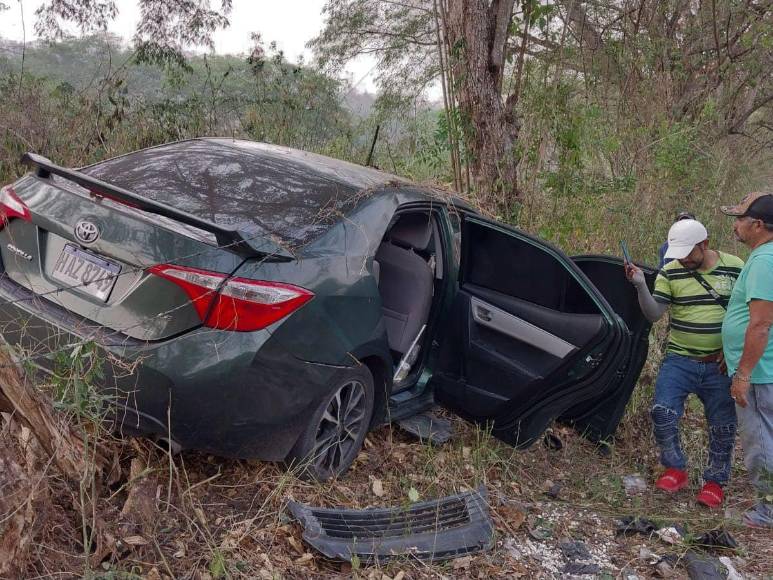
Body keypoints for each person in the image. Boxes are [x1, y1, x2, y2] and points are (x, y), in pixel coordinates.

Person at [625, 219, 743, 507]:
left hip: (720, 364)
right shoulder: (671, 271)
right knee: (663, 412)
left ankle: (715, 482)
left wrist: (734, 351)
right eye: (679, 254)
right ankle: (675, 468)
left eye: (689, 253)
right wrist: (640, 285)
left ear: (704, 244)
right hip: (680, 359)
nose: (684, 259)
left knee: (723, 425)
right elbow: (655, 314)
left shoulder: (735, 267)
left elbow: (748, 311)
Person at [720, 192, 773, 528]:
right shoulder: (763, 257)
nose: (735, 226)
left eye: (740, 219)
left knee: (760, 439)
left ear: (758, 225)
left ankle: (767, 512)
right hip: (763, 368)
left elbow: (760, 323)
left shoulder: (764, 261)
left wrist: (743, 373)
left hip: (760, 371)